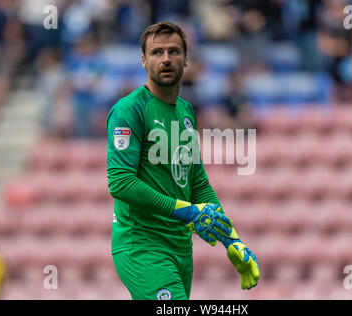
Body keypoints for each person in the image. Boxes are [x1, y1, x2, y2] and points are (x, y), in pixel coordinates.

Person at [106, 22, 259, 300]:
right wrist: (186, 212)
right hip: (142, 246)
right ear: (143, 60)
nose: (166, 59)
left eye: (174, 51)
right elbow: (120, 182)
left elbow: (197, 182)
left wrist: (231, 240)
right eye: (157, 52)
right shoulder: (129, 110)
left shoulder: (187, 112)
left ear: (186, 59)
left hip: (180, 248)